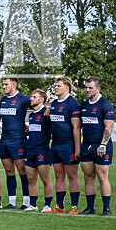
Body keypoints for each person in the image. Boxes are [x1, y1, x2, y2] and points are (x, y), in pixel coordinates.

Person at [79, 76, 114, 216]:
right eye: (86, 87)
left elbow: (109, 126)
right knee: (88, 177)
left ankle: (106, 208)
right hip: (86, 146)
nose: (87, 90)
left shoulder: (105, 105)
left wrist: (103, 144)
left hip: (101, 146)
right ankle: (90, 208)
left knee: (102, 177)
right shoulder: (83, 105)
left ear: (98, 89)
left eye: (90, 88)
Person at [48, 76, 82, 214]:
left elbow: (76, 127)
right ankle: (59, 207)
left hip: (68, 145)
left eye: (59, 86)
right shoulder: (54, 103)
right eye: (55, 85)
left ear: (67, 88)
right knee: (58, 175)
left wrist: (77, 149)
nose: (56, 88)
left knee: (72, 175)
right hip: (55, 144)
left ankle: (74, 206)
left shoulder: (72, 104)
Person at [0, 77, 31, 209]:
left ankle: (26, 202)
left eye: (6, 84)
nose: (3, 87)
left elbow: (39, 107)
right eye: (3, 84)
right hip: (4, 140)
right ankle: (12, 202)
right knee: (9, 171)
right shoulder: (3, 100)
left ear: (14, 85)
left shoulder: (23, 99)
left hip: (18, 140)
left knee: (22, 171)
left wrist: (31, 126)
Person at [23, 89, 52, 212]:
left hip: (42, 150)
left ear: (41, 100)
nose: (31, 98)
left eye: (34, 97)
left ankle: (47, 205)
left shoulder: (47, 113)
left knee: (46, 180)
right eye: (31, 96)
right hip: (30, 150)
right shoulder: (31, 115)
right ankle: (33, 205)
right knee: (31, 179)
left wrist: (49, 107)